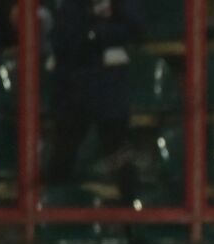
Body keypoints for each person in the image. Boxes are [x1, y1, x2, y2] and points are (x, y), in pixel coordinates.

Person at [47, 0, 143, 205]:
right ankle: (51, 213)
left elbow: (135, 27)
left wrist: (97, 34)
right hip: (73, 87)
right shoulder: (69, 7)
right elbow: (64, 37)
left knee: (118, 149)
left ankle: (133, 213)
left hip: (109, 87)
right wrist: (93, 34)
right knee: (63, 152)